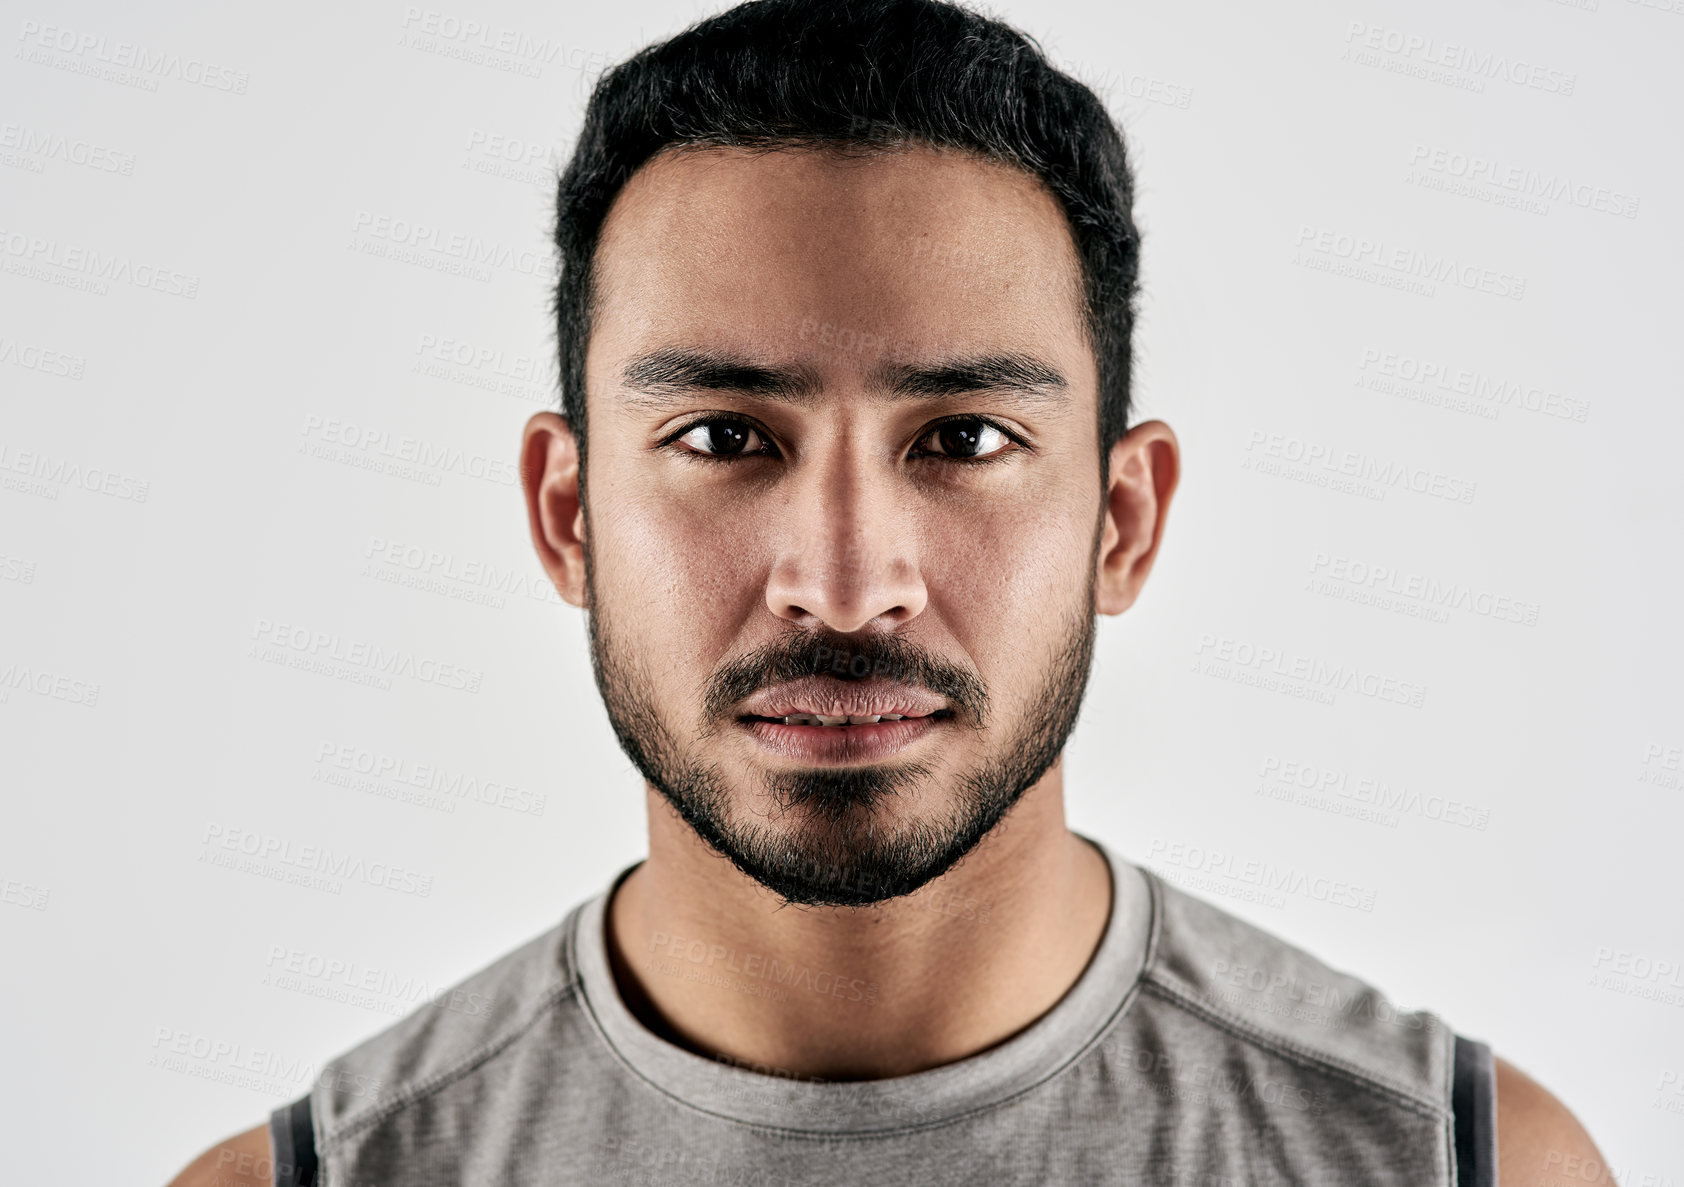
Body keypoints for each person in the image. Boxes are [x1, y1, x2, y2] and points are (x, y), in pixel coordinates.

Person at [167, 1, 1612, 1182]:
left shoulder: (1461, 1167)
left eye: (964, 440)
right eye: (725, 439)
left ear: (1122, 518)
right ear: (568, 516)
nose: (846, 587)